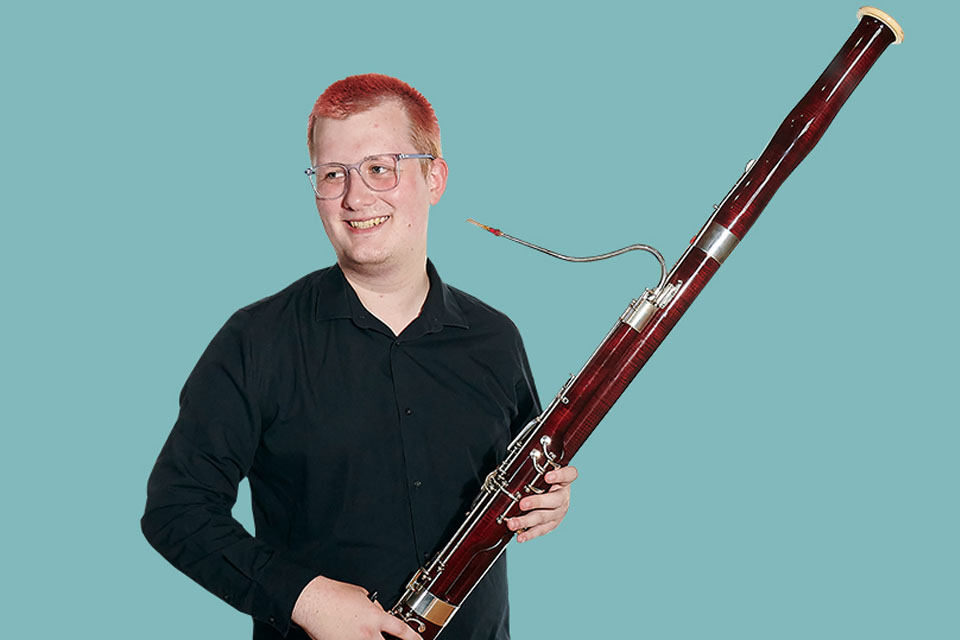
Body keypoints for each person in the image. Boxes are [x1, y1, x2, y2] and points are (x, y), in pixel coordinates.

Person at [142, 73, 578, 640]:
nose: (355, 197)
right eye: (332, 175)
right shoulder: (256, 339)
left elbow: (524, 476)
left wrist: (549, 500)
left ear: (434, 177)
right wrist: (303, 598)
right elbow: (177, 510)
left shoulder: (496, 339)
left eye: (380, 168)